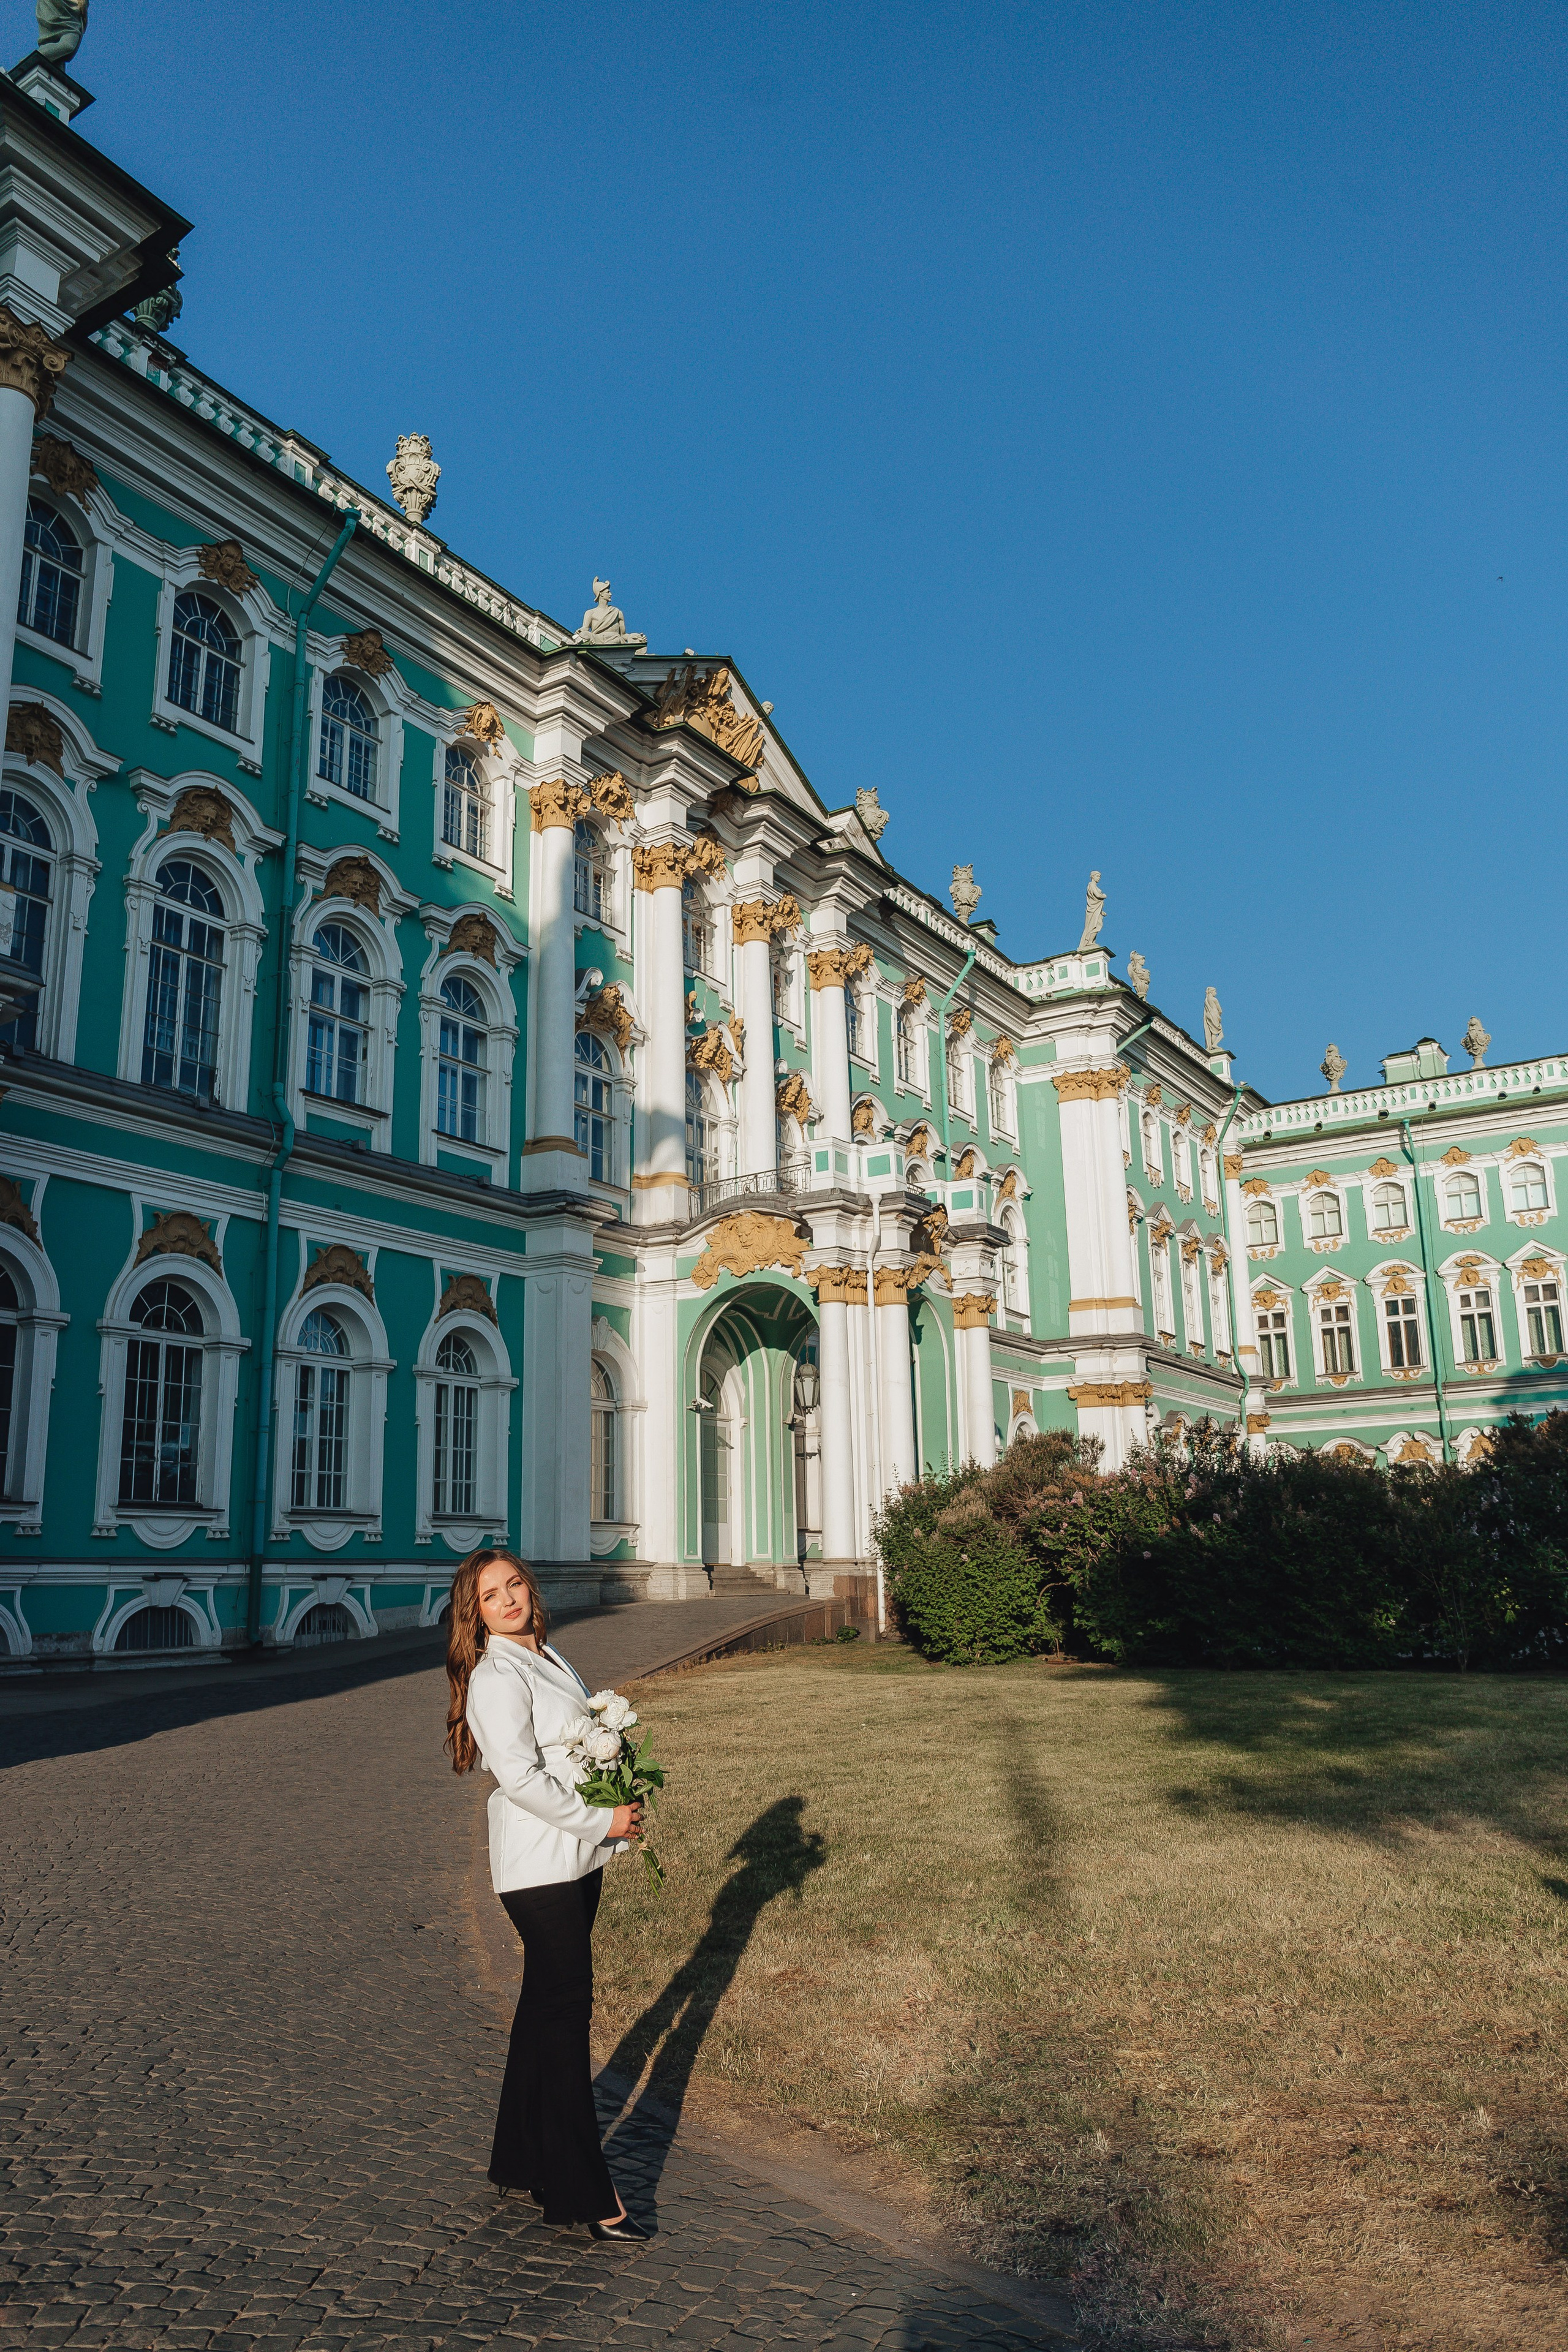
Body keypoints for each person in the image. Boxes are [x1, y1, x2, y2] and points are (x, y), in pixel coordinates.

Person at [444, 1547, 647, 2239]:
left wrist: (613, 1804)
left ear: (530, 1587)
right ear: (475, 1614)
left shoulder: (546, 1655)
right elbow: (522, 1779)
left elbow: (573, 1747)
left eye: (514, 1585)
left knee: (541, 2012)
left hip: (574, 1860)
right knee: (565, 2024)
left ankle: (521, 2157)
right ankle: (584, 2193)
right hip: (540, 1871)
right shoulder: (495, 1675)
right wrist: (602, 1819)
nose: (507, 1600)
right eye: (490, 1595)